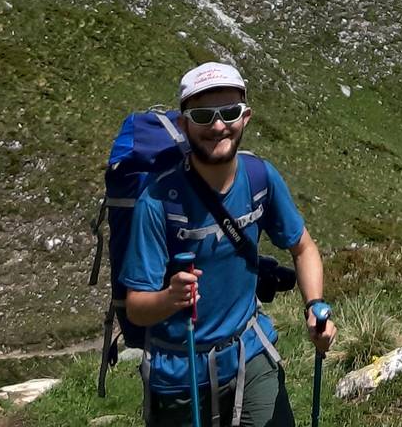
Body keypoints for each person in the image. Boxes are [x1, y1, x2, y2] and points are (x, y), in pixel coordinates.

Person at [121, 62, 336, 427]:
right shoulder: (158, 201)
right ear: (185, 122)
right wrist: (169, 299)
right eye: (203, 115)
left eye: (229, 113)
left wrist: (314, 306)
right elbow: (137, 308)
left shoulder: (260, 178)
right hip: (179, 374)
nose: (218, 126)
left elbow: (302, 247)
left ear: (246, 117)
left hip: (249, 355)